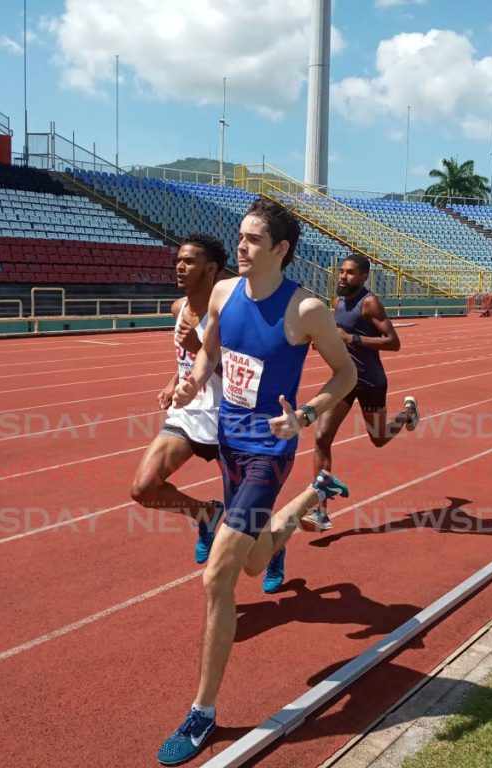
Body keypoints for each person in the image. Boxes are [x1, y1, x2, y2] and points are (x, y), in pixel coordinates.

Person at [156, 199, 357, 766]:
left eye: (250, 240)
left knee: (219, 576)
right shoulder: (222, 294)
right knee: (251, 559)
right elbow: (211, 357)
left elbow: (345, 374)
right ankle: (315, 497)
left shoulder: (307, 311)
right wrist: (188, 387)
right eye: (238, 237)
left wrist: (307, 416)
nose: (239, 247)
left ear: (280, 250)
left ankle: (203, 712)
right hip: (229, 446)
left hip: (270, 452)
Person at [302, 254, 420, 533]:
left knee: (378, 439)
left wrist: (352, 339)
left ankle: (407, 414)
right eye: (342, 272)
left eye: (351, 273)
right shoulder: (337, 301)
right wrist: (325, 340)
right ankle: (320, 510)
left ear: (364, 276)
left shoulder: (370, 303)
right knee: (321, 437)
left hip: (371, 383)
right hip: (344, 381)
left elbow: (393, 342)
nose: (343, 277)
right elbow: (337, 333)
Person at [129, 234, 228, 564]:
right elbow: (186, 361)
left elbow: (246, 377)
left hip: (230, 420)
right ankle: (206, 514)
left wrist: (201, 348)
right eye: (178, 261)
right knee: (144, 488)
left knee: (249, 512)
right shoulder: (179, 308)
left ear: (211, 268)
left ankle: (273, 547)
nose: (180, 267)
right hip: (187, 416)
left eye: (189, 262)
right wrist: (174, 382)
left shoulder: (229, 317)